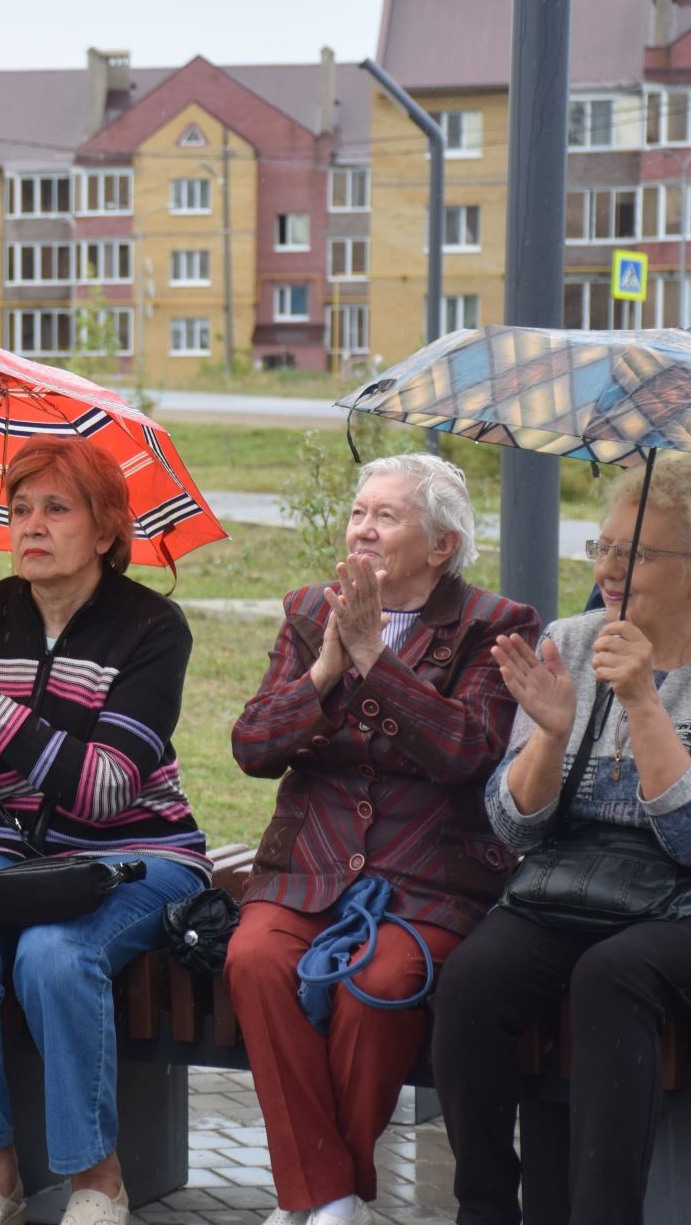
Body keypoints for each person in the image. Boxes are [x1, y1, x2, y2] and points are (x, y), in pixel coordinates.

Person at [432, 461, 691, 1225]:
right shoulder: (567, 642)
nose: (605, 568)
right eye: (602, 547)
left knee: (612, 978)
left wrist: (641, 699)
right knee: (473, 980)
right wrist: (550, 735)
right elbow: (512, 827)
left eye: (634, 556)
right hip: (578, 879)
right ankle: (486, 1212)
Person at [224, 452, 540, 1225]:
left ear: (440, 546)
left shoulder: (495, 626)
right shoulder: (308, 612)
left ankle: (321, 1196)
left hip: (430, 872)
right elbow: (253, 748)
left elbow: (466, 750)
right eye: (359, 512)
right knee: (255, 957)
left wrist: (375, 659)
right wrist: (327, 671)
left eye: (386, 516)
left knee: (383, 985)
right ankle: (329, 1197)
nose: (363, 529)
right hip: (309, 863)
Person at [0, 436, 211, 1225]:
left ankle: (97, 1179)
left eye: (57, 509)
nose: (32, 526)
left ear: (107, 529)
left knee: (55, 951)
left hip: (134, 853)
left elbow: (105, 792)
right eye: (20, 509)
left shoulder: (152, 628)